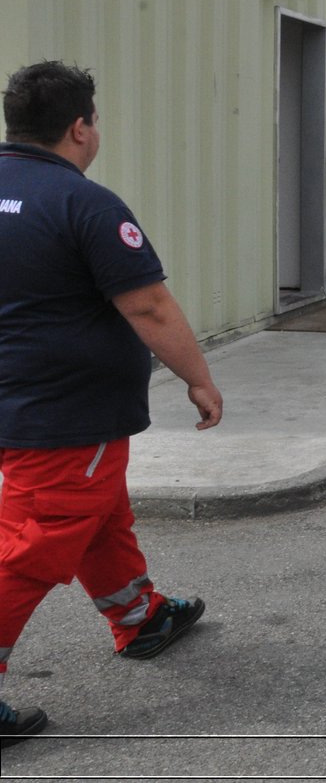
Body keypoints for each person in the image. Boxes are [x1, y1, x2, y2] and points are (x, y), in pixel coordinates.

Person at [0, 61, 224, 748]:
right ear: (80, 126)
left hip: (22, 406)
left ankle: (140, 615)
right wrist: (199, 377)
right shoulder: (84, 203)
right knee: (34, 544)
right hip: (65, 414)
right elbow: (148, 304)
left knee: (101, 512)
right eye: (94, 120)